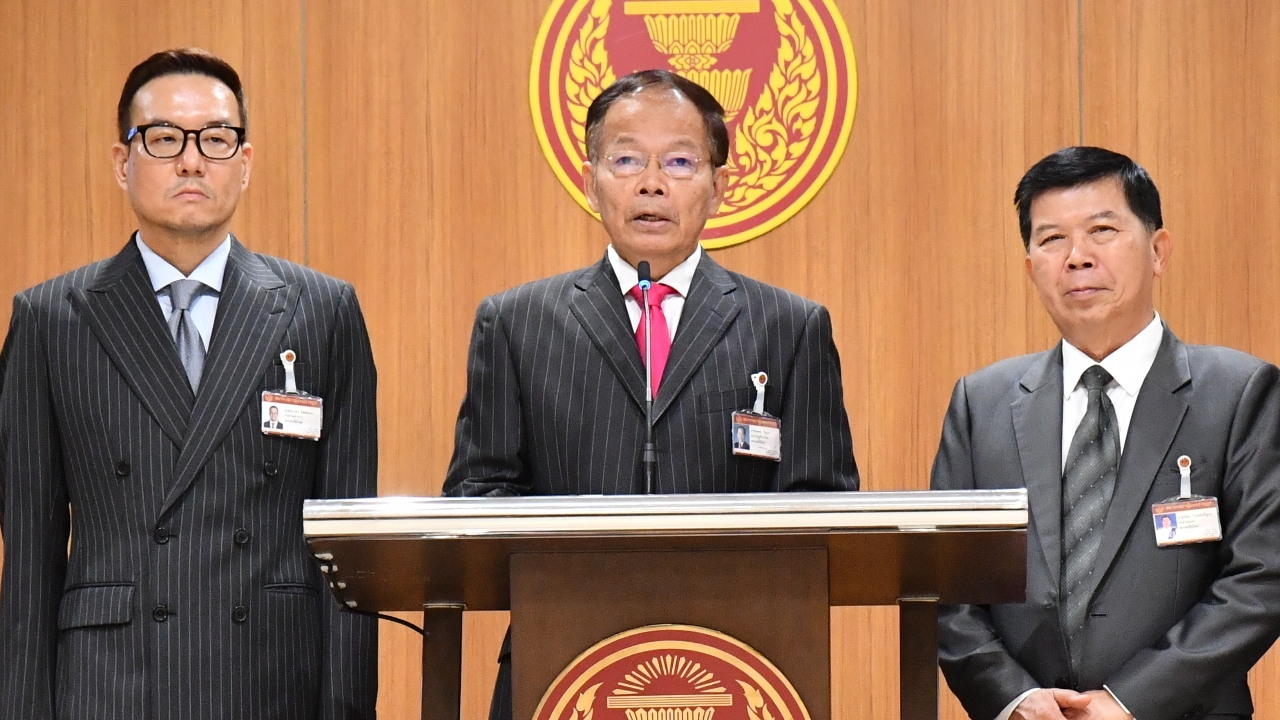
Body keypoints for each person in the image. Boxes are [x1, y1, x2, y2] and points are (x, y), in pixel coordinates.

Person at [444, 70, 859, 720]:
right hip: (560, 665)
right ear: (590, 179)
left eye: (680, 161)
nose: (651, 183)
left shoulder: (789, 327)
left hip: (741, 668)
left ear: (719, 186)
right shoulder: (516, 324)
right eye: (627, 159)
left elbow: (823, 513)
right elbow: (475, 498)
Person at [0, 49, 379, 720]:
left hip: (269, 679)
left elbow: (345, 545)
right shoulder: (51, 320)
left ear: (246, 162)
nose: (192, 160)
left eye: (216, 138)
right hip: (110, 687)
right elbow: (28, 558)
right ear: (123, 162)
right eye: (165, 138)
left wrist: (346, 708)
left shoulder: (322, 311)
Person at [931, 146, 1280, 720]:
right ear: (1030, 267)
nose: (1077, 258)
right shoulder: (982, 403)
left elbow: (1261, 578)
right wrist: (1014, 698)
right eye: (1051, 240)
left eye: (1102, 230)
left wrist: (1129, 702)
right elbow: (947, 585)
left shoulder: (1239, 393)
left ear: (1158, 251)